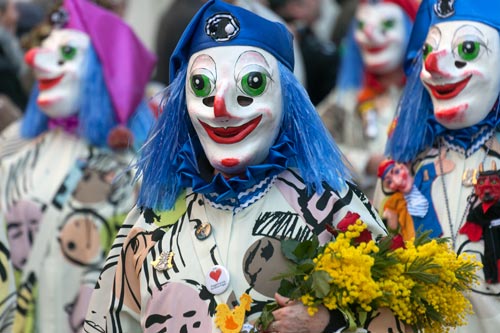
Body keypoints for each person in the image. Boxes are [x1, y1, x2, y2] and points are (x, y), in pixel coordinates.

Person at [83, 1, 389, 332]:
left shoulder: (333, 207)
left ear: (287, 99)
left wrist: (329, 325)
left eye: (253, 83)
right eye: (201, 86)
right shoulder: (152, 219)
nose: (221, 107)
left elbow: (396, 315)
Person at [0, 0, 156, 332]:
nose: (38, 60)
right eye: (46, 49)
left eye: (68, 54)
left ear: (105, 71)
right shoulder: (16, 146)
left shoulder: (137, 165)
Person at [378, 0, 500, 331]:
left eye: (469, 48)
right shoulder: (408, 158)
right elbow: (380, 243)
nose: (434, 64)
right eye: (430, 49)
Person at [318, 0, 418, 198]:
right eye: (362, 26)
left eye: (387, 25)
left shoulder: (430, 95)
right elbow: (312, 144)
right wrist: (365, 162)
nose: (371, 36)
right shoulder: (346, 97)